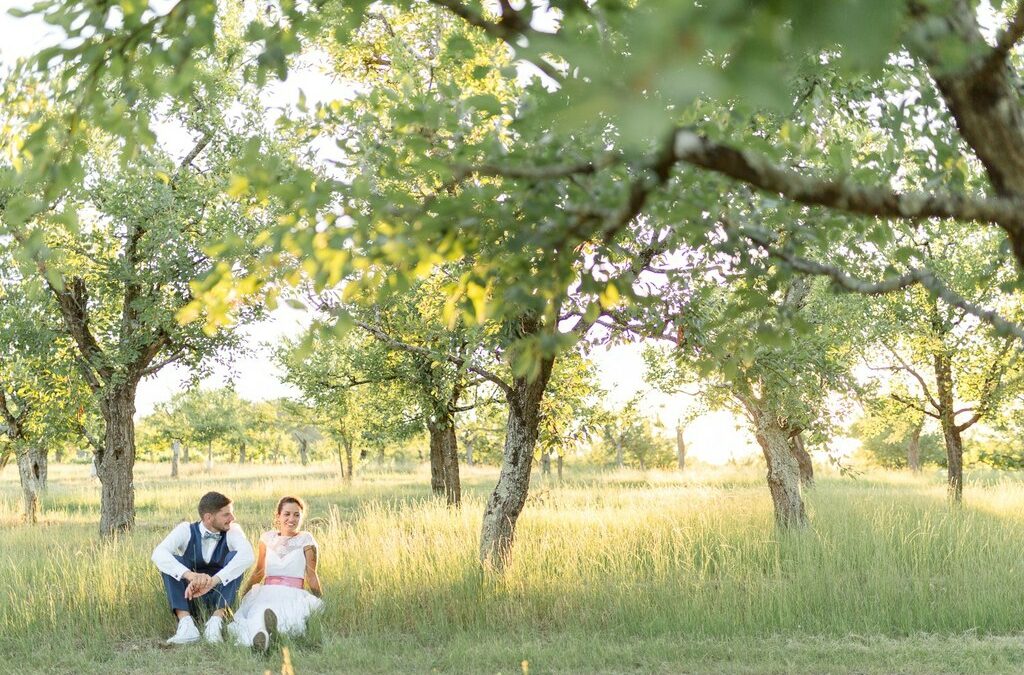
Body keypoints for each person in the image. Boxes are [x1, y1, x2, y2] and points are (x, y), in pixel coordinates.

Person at [151, 491, 255, 645]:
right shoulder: (186, 529)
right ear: (208, 517)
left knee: (236, 559)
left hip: (220, 597)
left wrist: (214, 580)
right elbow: (158, 554)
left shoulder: (233, 530)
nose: (232, 518)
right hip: (190, 597)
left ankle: (216, 623)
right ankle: (186, 625)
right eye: (226, 515)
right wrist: (190, 575)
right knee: (171, 560)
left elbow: (248, 555)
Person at [227, 496, 324, 652]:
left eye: (296, 515)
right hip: (267, 591)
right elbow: (259, 571)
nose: (292, 519)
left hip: (294, 593)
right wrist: (243, 594)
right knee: (260, 611)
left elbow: (312, 575)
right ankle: (260, 637)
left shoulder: (306, 539)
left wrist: (319, 599)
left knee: (288, 615)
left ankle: (272, 633)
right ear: (278, 516)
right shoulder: (267, 538)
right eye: (287, 514)